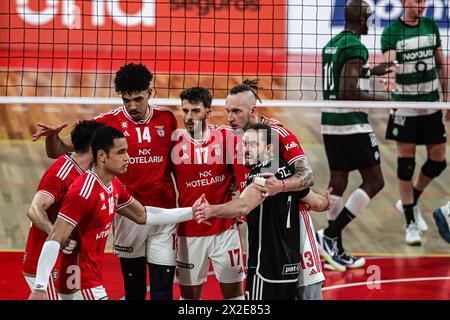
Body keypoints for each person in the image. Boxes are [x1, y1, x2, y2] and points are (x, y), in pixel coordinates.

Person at [32, 63, 179, 299]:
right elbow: (58, 150)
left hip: (163, 214)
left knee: (163, 291)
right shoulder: (107, 123)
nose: (131, 106)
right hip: (129, 214)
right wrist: (52, 137)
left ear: (151, 92)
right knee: (135, 289)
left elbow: (178, 164)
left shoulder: (167, 118)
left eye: (138, 99)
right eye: (126, 100)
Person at [28, 126, 201, 300]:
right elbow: (55, 238)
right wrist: (40, 287)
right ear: (102, 156)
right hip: (81, 285)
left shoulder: (113, 185)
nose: (128, 157)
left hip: (89, 281)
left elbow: (143, 215)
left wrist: (191, 212)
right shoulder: (83, 191)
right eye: (121, 152)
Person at [194, 123, 332, 300]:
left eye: (253, 144)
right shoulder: (289, 174)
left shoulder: (262, 174)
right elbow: (317, 203)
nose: (245, 149)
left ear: (268, 148)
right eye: (244, 144)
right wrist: (327, 200)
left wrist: (211, 210)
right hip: (290, 269)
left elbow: (244, 205)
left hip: (265, 270)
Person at [224, 80, 324, 298]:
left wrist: (282, 186)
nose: (229, 117)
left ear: (253, 112)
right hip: (259, 230)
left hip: (291, 225)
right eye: (227, 111)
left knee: (308, 293)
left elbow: (308, 175)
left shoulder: (277, 133)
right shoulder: (233, 136)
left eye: (236, 111)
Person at [318, 0, 396, 271]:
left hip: (330, 123)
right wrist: (386, 98)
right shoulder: (355, 46)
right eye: (370, 16)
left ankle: (333, 247)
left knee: (338, 181)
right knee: (375, 182)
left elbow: (345, 77)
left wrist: (372, 71)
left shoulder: (333, 44)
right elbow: (348, 90)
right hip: (352, 124)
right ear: (362, 19)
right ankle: (328, 235)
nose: (372, 20)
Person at [381, 0, 448, 245]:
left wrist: (447, 98)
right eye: (417, 0)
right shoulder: (392, 32)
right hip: (405, 106)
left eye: (424, 1)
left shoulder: (430, 26)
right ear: (403, 1)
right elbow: (389, 64)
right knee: (406, 165)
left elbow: (440, 64)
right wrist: (389, 80)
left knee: (438, 160)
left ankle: (411, 200)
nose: (422, 5)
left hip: (431, 104)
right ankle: (410, 222)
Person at [171, 87, 245, 300]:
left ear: (208, 112)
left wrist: (236, 183)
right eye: (185, 111)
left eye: (195, 111)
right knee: (190, 300)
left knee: (235, 298)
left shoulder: (227, 136)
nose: (188, 117)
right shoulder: (174, 142)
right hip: (189, 232)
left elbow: (249, 165)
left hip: (225, 231)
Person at [23, 120, 105, 299]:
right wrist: (59, 237)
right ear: (95, 147)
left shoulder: (92, 172)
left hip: (68, 260)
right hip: (45, 261)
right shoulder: (61, 173)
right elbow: (34, 209)